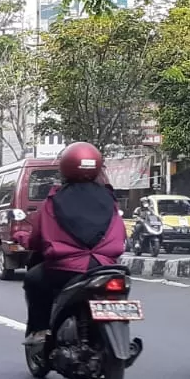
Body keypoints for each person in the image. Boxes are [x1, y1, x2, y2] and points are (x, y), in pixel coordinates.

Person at [22, 142, 126, 345]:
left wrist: (23, 240)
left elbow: (37, 238)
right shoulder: (110, 199)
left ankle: (40, 330)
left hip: (67, 269)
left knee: (33, 280)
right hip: (106, 267)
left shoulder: (53, 201)